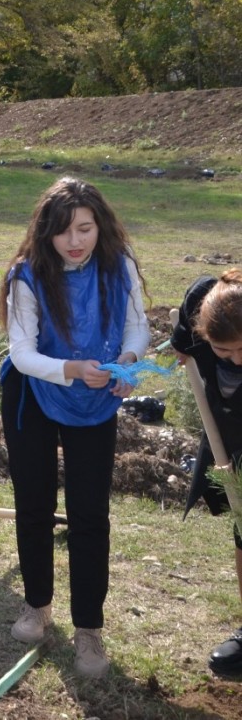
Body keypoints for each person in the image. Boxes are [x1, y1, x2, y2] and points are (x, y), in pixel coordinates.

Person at [0, 176, 148, 678]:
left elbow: (136, 327)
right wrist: (71, 369)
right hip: (33, 393)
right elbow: (22, 353)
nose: (76, 241)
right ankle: (37, 605)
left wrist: (126, 361)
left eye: (85, 228)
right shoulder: (27, 274)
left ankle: (89, 629)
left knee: (89, 513)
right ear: (47, 234)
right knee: (34, 503)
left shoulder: (118, 264)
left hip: (97, 397)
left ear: (99, 226)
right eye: (64, 232)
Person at [171, 269, 242, 677]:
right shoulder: (199, 300)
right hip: (230, 439)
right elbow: (183, 341)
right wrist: (188, 350)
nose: (235, 359)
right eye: (223, 350)